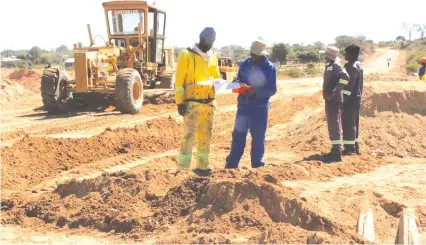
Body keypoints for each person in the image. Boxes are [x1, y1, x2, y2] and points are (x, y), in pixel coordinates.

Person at [174, 27, 221, 172]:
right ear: (202, 38)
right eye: (209, 40)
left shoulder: (213, 57)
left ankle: (202, 166)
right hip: (192, 102)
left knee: (206, 134)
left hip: (209, 102)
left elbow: (216, 78)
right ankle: (183, 168)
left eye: (213, 41)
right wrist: (180, 102)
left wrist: (225, 83)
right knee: (189, 135)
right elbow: (179, 81)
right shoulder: (186, 54)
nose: (211, 43)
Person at [225, 40, 277, 169]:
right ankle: (231, 166)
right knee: (238, 136)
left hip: (259, 109)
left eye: (256, 55)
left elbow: (272, 89)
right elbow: (238, 80)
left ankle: (257, 166)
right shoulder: (244, 64)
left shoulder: (269, 68)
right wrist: (236, 84)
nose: (253, 56)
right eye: (252, 53)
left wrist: (255, 93)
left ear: (262, 54)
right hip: (243, 107)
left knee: (258, 139)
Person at [321, 46, 350, 163]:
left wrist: (336, 90)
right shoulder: (330, 65)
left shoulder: (336, 66)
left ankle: (337, 152)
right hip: (330, 100)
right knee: (332, 124)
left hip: (334, 100)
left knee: (334, 124)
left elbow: (346, 77)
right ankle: (334, 149)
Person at [341, 44, 364, 155]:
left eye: (346, 53)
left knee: (349, 123)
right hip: (356, 99)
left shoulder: (352, 67)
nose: (344, 55)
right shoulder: (357, 65)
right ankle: (354, 146)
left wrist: (343, 99)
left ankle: (349, 148)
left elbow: (349, 85)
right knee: (354, 123)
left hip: (350, 100)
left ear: (351, 54)